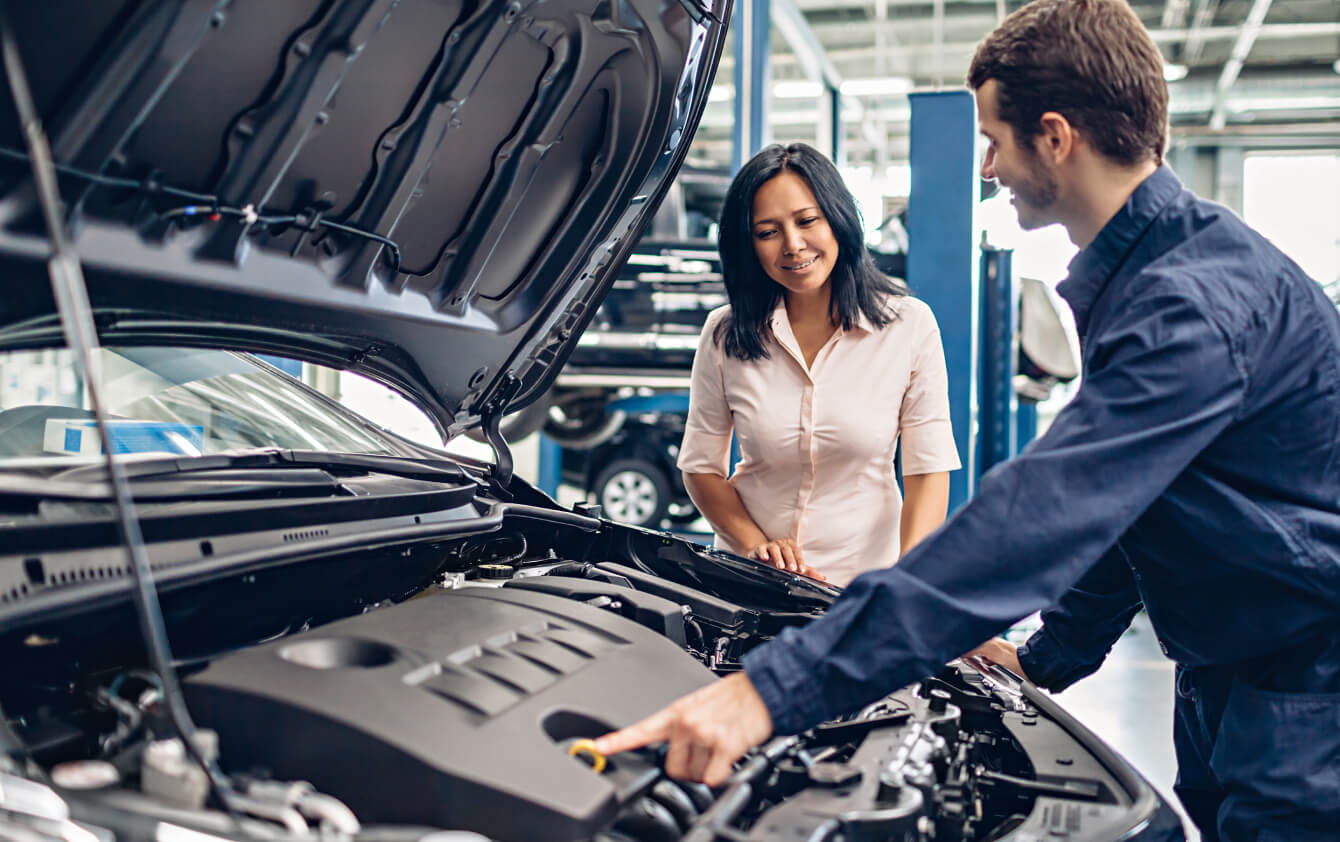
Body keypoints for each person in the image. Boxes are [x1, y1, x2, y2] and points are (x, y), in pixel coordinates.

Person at [595, 1, 1340, 840]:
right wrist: (1048, 656)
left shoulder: (1188, 306)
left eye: (994, 139)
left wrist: (771, 692)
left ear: (1054, 136)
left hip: (1306, 687)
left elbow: (1047, 512)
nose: (987, 167)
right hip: (1229, 671)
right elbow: (1139, 504)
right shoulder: (1148, 278)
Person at [676, 142, 960, 586]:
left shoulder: (909, 326)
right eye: (767, 232)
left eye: (807, 221)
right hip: (750, 582)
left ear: (838, 220)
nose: (792, 245)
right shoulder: (724, 333)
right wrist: (754, 543)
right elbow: (700, 467)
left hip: (863, 586)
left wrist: (908, 585)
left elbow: (927, 471)